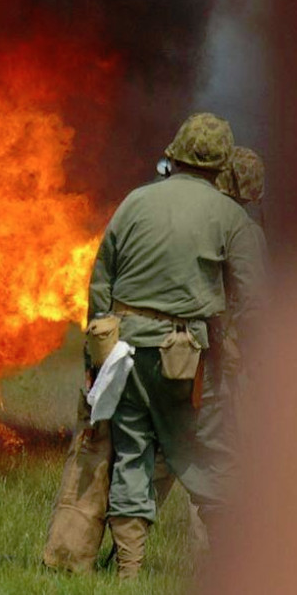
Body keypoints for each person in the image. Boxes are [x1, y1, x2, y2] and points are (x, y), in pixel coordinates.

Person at [89, 113, 265, 578]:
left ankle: (128, 574)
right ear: (220, 162)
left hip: (124, 351)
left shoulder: (133, 201)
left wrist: (97, 359)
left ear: (177, 151)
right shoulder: (232, 217)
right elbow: (254, 299)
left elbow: (101, 279)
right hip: (186, 361)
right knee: (210, 453)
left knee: (132, 452)